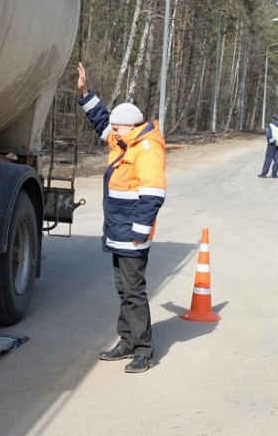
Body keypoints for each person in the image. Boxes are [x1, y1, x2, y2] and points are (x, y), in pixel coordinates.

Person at [75, 62, 166, 373]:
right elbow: (101, 122)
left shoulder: (147, 148)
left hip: (132, 233)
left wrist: (139, 232)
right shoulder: (126, 138)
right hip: (119, 230)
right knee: (123, 288)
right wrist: (86, 93)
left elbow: (153, 194)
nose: (111, 133)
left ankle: (143, 349)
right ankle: (127, 340)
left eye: (116, 128)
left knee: (134, 290)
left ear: (130, 125)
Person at [258, 112, 278, 178]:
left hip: (272, 145)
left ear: (273, 118)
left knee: (268, 159)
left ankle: (264, 173)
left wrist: (275, 142)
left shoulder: (271, 126)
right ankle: (274, 174)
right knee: (277, 160)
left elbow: (269, 136)